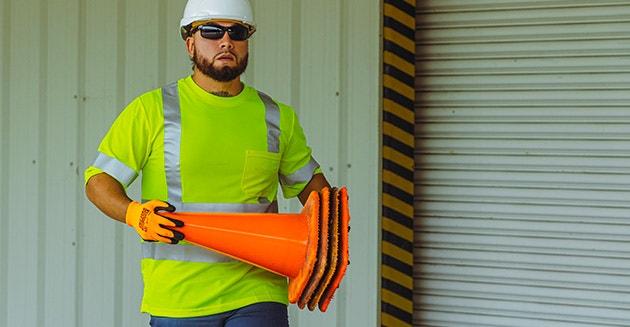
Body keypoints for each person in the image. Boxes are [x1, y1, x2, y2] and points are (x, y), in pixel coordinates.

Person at [84, 0, 331, 325]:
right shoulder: (152, 110)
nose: (226, 41)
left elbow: (317, 195)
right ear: (190, 43)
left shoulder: (277, 117)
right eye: (212, 31)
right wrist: (135, 214)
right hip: (178, 299)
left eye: (237, 32)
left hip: (258, 293)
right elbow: (98, 181)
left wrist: (327, 243)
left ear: (247, 42)